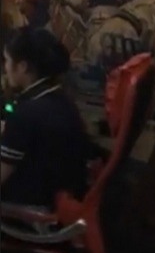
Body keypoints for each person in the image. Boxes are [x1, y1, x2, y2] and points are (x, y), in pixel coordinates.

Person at [1, 26, 89, 209]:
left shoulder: (26, 114)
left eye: (7, 61)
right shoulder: (60, 100)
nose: (5, 68)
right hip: (58, 197)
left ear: (23, 67)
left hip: (28, 209)